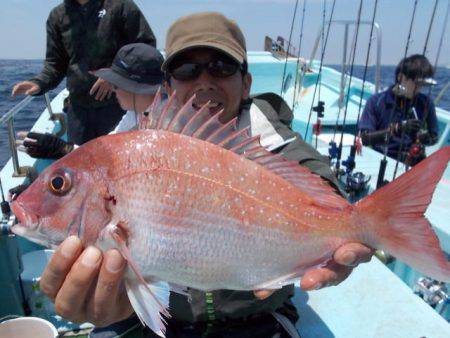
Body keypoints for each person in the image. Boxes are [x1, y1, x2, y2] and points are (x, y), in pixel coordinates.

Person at [39, 12, 373, 338]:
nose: (204, 82)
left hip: (258, 316)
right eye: (187, 70)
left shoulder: (273, 142)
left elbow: (315, 176)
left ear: (246, 84)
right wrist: (111, 303)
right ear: (167, 87)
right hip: (159, 321)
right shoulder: (135, 149)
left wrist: (345, 227)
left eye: (221, 67)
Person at [11, 0, 156, 145]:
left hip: (117, 105)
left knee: (119, 157)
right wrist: (39, 83)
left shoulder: (120, 6)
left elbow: (144, 48)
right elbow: (55, 64)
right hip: (78, 109)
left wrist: (114, 75)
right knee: (80, 161)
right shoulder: (58, 16)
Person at [16, 43, 164, 160]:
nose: (112, 89)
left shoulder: (164, 125)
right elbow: (107, 152)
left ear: (135, 89)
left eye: (116, 84)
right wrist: (61, 149)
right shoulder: (135, 113)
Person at [358, 54, 439, 165]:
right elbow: (365, 139)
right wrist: (397, 129)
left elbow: (434, 136)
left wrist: (423, 138)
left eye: (422, 85)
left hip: (412, 160)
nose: (419, 89)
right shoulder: (376, 102)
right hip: (383, 159)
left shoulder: (426, 103)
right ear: (401, 77)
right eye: (416, 83)